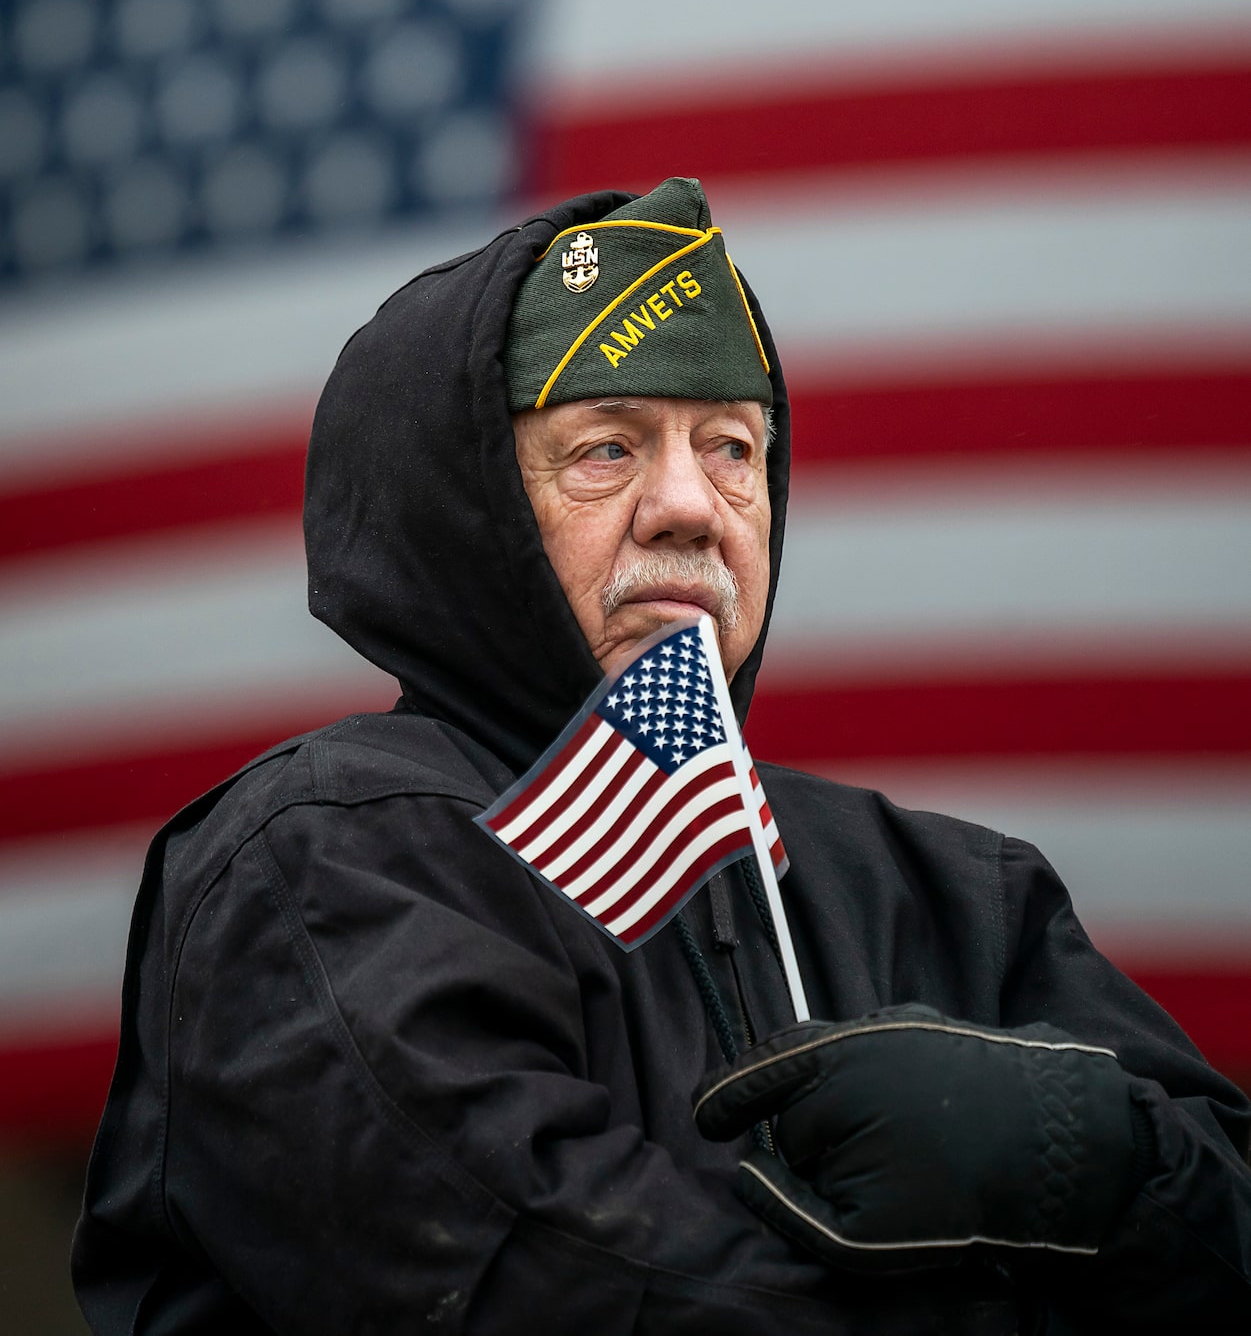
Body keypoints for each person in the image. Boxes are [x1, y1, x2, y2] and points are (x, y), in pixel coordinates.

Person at [74, 179, 1251, 1333]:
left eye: (734, 448)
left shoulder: (960, 895)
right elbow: (561, 1281)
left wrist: (1093, 1154)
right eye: (605, 450)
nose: (692, 506)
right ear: (461, 513)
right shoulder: (332, 855)